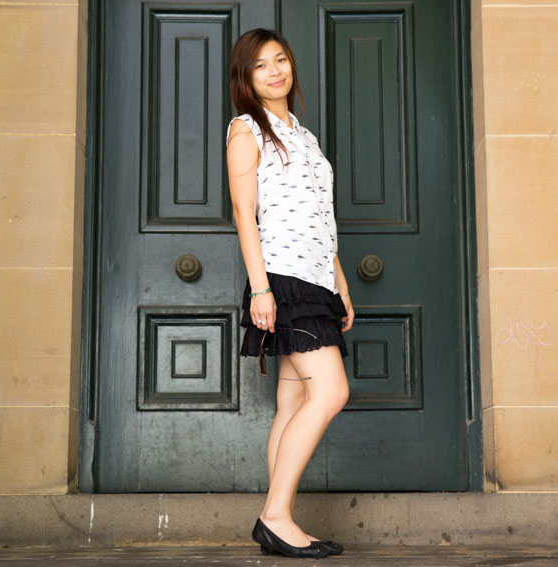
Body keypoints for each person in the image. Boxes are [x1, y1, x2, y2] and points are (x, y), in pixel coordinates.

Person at [225, 28, 355, 559]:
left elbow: (321, 218)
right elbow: (243, 213)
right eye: (261, 65)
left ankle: (278, 516)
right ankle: (275, 517)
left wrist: (340, 283)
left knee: (293, 398)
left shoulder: (303, 134)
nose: (276, 70)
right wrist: (260, 288)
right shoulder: (245, 130)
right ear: (245, 78)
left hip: (317, 277)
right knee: (330, 392)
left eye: (281, 59)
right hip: (282, 278)